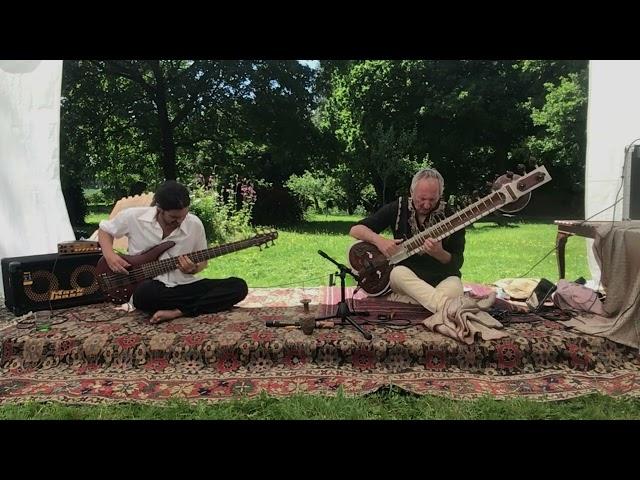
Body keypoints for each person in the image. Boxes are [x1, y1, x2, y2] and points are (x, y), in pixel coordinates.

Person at [98, 180, 248, 324]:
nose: (180, 221)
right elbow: (105, 230)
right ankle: (198, 305)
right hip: (148, 289)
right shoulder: (133, 216)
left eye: (183, 216)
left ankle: (180, 311)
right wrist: (110, 255)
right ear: (159, 209)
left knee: (238, 286)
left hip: (182, 286)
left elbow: (203, 262)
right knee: (146, 293)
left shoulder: (194, 224)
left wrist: (193, 269)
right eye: (174, 217)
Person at [350, 168, 466, 318]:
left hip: (442, 279)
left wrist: (440, 253)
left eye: (432, 199)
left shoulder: (453, 218)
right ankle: (453, 309)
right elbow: (356, 230)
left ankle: (413, 302)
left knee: (455, 286)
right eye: (421, 199)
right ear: (411, 193)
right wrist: (379, 241)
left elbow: (457, 263)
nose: (426, 205)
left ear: (440, 195)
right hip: (406, 280)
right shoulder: (398, 208)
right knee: (398, 273)